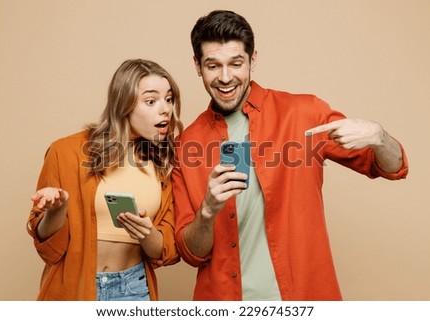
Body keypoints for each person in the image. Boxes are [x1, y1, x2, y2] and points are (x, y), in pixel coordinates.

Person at [172, 10, 409, 301]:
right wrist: (207, 211)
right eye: (213, 65)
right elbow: (192, 253)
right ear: (197, 65)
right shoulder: (187, 143)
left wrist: (378, 136)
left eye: (236, 63)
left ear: (253, 59)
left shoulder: (304, 112)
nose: (225, 77)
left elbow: (392, 167)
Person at [27, 58, 183, 300]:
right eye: (151, 101)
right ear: (124, 104)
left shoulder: (165, 163)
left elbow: (166, 251)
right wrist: (57, 210)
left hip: (134, 289)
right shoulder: (66, 152)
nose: (165, 109)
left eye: (169, 99)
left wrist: (146, 234)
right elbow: (48, 249)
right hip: (75, 289)